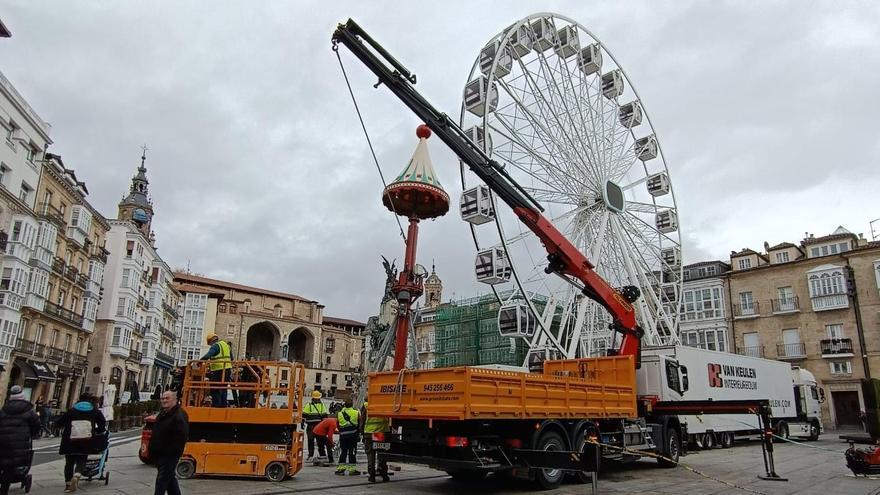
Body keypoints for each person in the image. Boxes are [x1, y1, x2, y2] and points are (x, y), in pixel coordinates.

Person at [55, 393, 106, 493]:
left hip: (70, 440)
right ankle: (78, 474)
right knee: (82, 459)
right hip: (85, 439)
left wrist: (57, 425)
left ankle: (68, 484)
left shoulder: (72, 410)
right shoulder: (94, 411)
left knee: (69, 462)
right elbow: (102, 422)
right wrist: (98, 431)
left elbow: (60, 422)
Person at [0, 386, 40, 495]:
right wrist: (33, 434)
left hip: (3, 442)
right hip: (20, 443)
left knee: (4, 464)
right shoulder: (29, 410)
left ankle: (3, 488)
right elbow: (36, 425)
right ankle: (6, 488)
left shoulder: (4, 408)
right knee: (12, 466)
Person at [148, 391, 189, 495]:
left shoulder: (179, 415)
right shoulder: (164, 413)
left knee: (161, 481)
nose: (164, 400)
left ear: (174, 400)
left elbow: (181, 437)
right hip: (160, 454)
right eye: (163, 398)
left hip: (169, 455)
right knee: (170, 480)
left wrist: (171, 452)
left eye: (167, 398)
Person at [200, 334, 233, 407]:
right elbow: (232, 358)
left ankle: (216, 406)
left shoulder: (215, 346)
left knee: (215, 389)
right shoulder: (226, 345)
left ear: (211, 341)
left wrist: (199, 361)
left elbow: (208, 355)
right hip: (227, 370)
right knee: (224, 389)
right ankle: (223, 407)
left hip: (218, 371)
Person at [360, 401, 390, 482]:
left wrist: (362, 433)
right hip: (382, 433)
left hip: (369, 433)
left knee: (370, 454)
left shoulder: (366, 406)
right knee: (382, 454)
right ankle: (384, 475)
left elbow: (362, 421)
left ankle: (372, 476)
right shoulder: (385, 403)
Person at [335, 398, 360, 476]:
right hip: (353, 436)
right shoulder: (356, 413)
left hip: (343, 436)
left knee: (343, 452)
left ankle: (341, 469)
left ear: (344, 405)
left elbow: (337, 425)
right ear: (352, 405)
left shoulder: (339, 414)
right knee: (352, 452)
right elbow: (360, 424)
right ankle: (352, 470)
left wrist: (342, 431)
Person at [302, 391, 328, 461]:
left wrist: (302, 423)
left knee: (317, 441)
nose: (317, 399)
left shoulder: (313, 405)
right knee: (315, 441)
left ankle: (318, 455)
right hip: (315, 426)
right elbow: (304, 416)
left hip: (315, 427)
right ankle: (316, 455)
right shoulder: (312, 405)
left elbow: (304, 415)